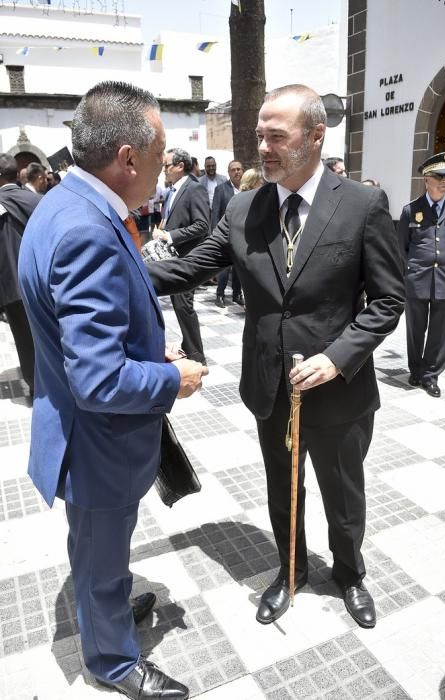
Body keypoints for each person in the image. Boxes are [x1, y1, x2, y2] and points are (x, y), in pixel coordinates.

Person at [146, 84, 405, 630]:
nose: (263, 146)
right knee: (281, 488)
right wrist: (113, 262)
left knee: (343, 492)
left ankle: (350, 573)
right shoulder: (244, 208)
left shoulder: (361, 205)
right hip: (270, 387)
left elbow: (388, 300)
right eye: (260, 135)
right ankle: (290, 572)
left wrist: (337, 357)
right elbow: (193, 267)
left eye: (276, 136)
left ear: (316, 136)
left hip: (338, 390)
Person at [18, 81, 207, 700]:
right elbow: (98, 379)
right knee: (99, 555)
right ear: (128, 157)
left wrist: (149, 348)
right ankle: (113, 661)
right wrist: (169, 378)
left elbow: (86, 336)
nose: (163, 166)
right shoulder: (86, 230)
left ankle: (110, 615)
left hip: (83, 432)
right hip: (97, 442)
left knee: (98, 549)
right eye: (158, 154)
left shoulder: (63, 202)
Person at [397, 152, 445, 397]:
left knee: (440, 331)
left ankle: (431, 376)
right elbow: (401, 247)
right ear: (426, 179)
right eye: (439, 176)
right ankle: (416, 370)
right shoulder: (411, 210)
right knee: (415, 329)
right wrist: (413, 267)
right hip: (417, 279)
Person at [154, 147, 210, 362]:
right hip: (174, 257)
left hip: (187, 257)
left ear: (180, 166)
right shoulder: (172, 190)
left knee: (184, 305)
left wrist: (169, 236)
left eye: (166, 166)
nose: (163, 170)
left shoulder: (194, 188)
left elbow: (202, 225)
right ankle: (189, 346)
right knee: (179, 304)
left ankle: (197, 356)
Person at [0, 153, 41, 395]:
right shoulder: (35, 200)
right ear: (18, 175)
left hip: (11, 287)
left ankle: (38, 389)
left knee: (25, 341)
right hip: (40, 281)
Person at [212, 159, 244, 308]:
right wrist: (215, 235)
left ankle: (237, 294)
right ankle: (220, 295)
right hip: (225, 235)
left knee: (239, 268)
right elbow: (215, 213)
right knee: (224, 268)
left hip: (243, 236)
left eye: (239, 169)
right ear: (228, 173)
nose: (237, 172)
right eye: (233, 170)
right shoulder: (221, 189)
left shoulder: (246, 189)